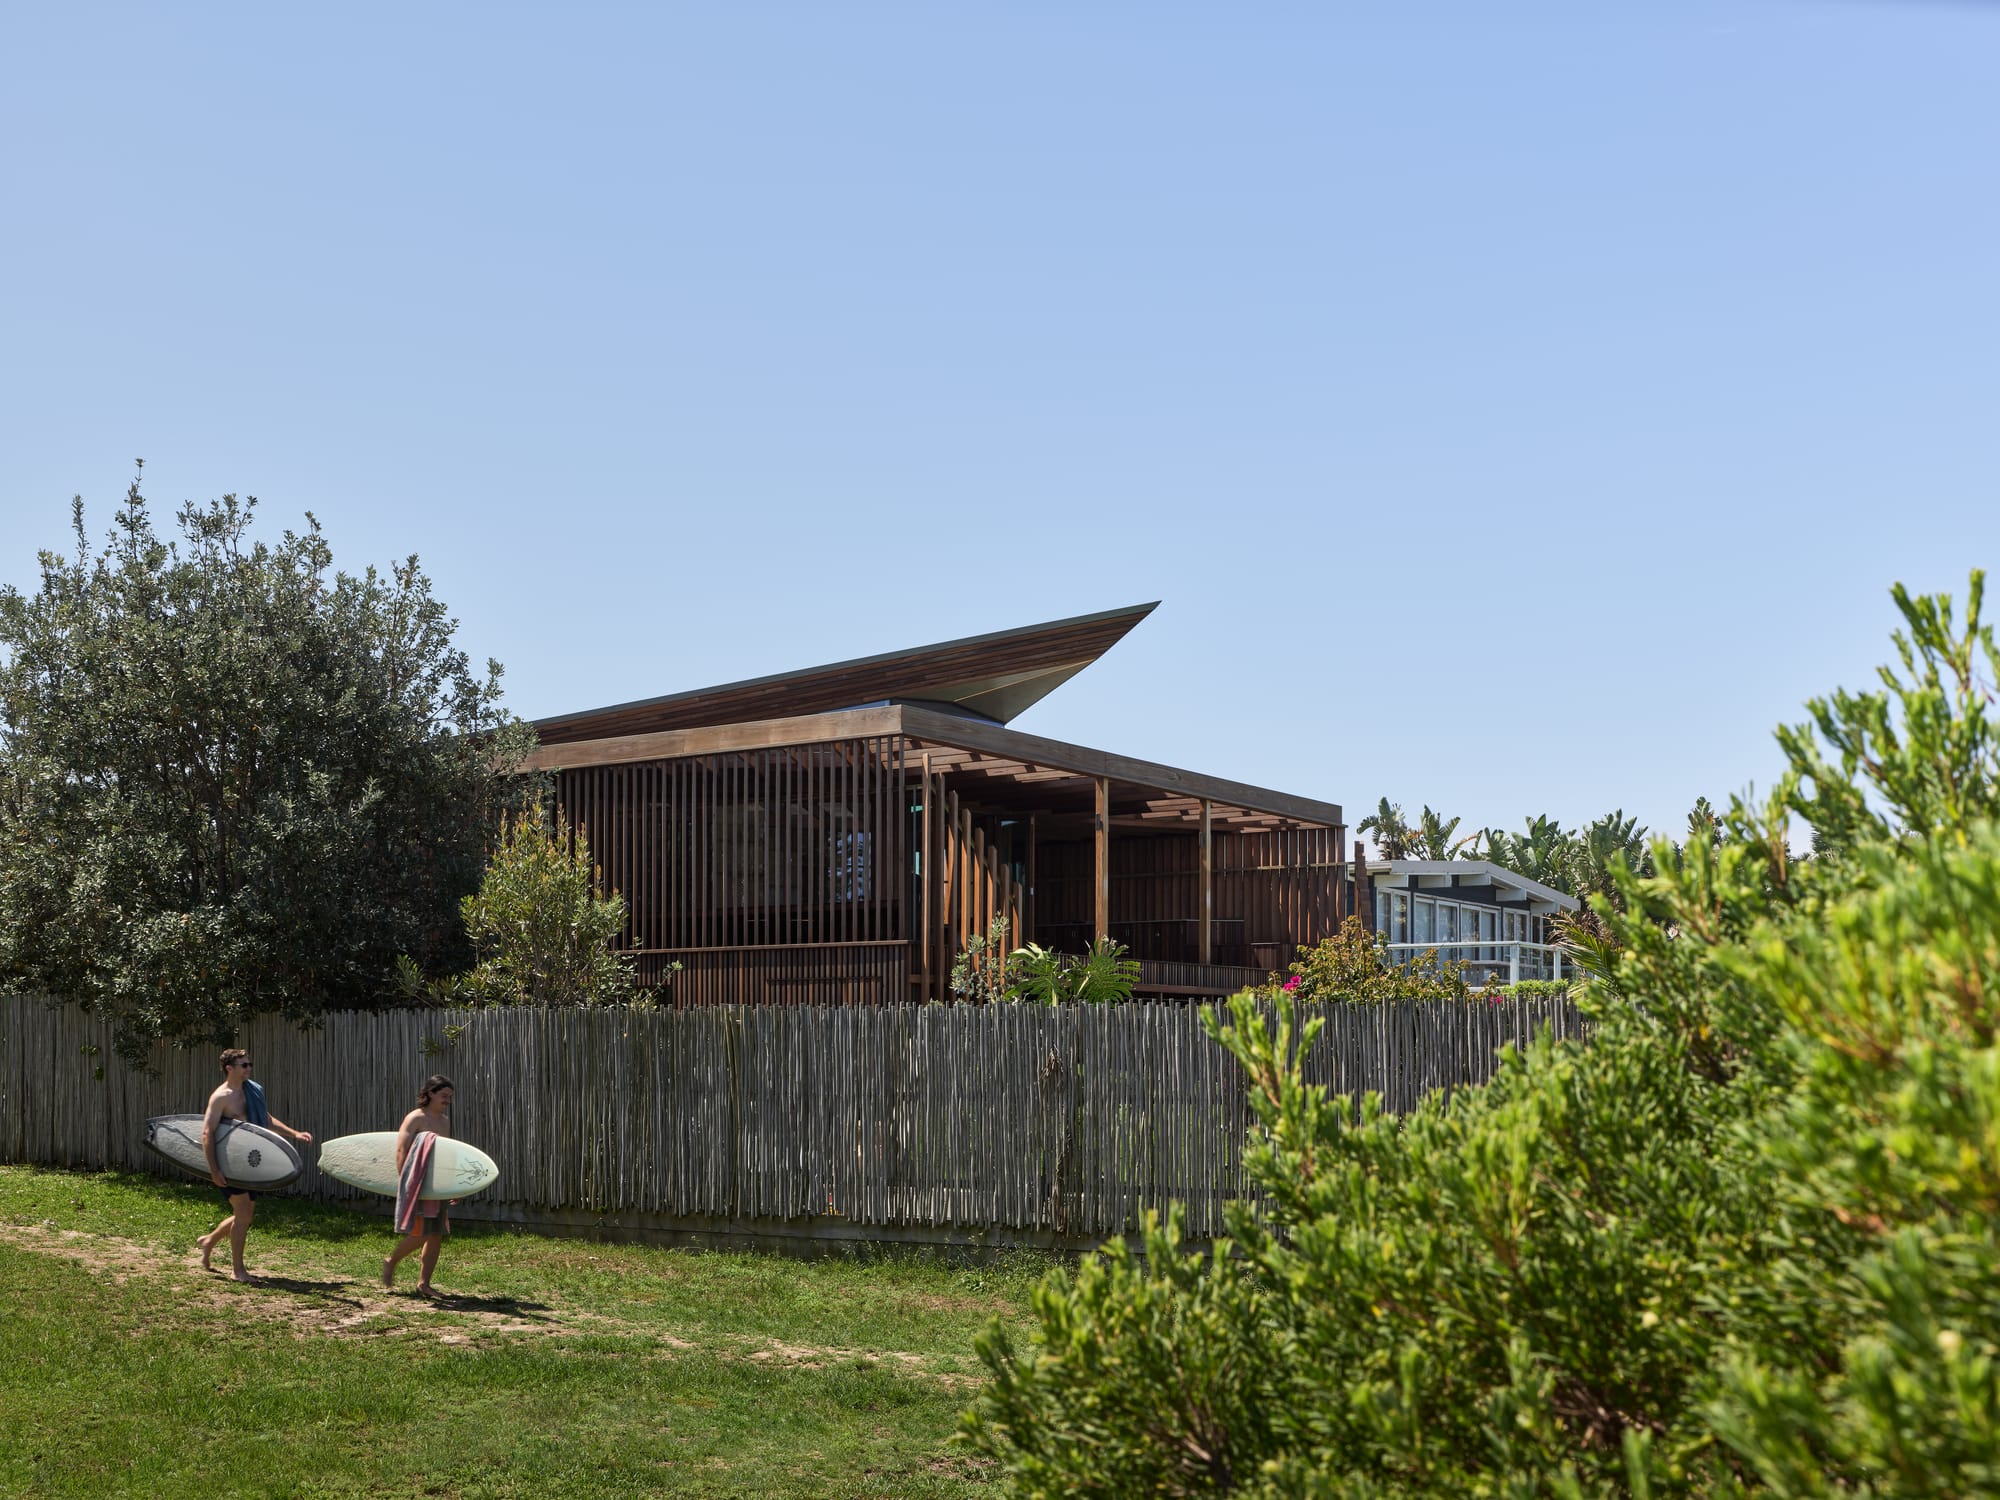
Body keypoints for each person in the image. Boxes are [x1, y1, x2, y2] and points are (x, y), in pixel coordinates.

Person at [196, 1048, 313, 1281]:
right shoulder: (221, 1097)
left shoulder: (252, 1091)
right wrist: (214, 1169)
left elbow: (265, 1119)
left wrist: (294, 1133)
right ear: (230, 1068)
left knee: (245, 1213)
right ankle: (237, 1270)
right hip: (229, 1162)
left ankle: (209, 1241)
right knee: (244, 1214)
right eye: (244, 1065)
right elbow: (207, 1133)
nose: (249, 1068)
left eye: (249, 1064)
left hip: (250, 1162)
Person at [383, 1074, 456, 1295]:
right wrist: (407, 1184)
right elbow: (401, 1150)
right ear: (430, 1093)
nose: (447, 1101)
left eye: (450, 1097)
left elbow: (446, 1155)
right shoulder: (416, 1118)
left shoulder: (444, 1121)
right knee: (422, 1232)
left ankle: (424, 1284)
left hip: (437, 1184)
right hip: (418, 1183)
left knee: (436, 1234)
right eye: (443, 1096)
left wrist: (454, 1186)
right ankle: (391, 1261)